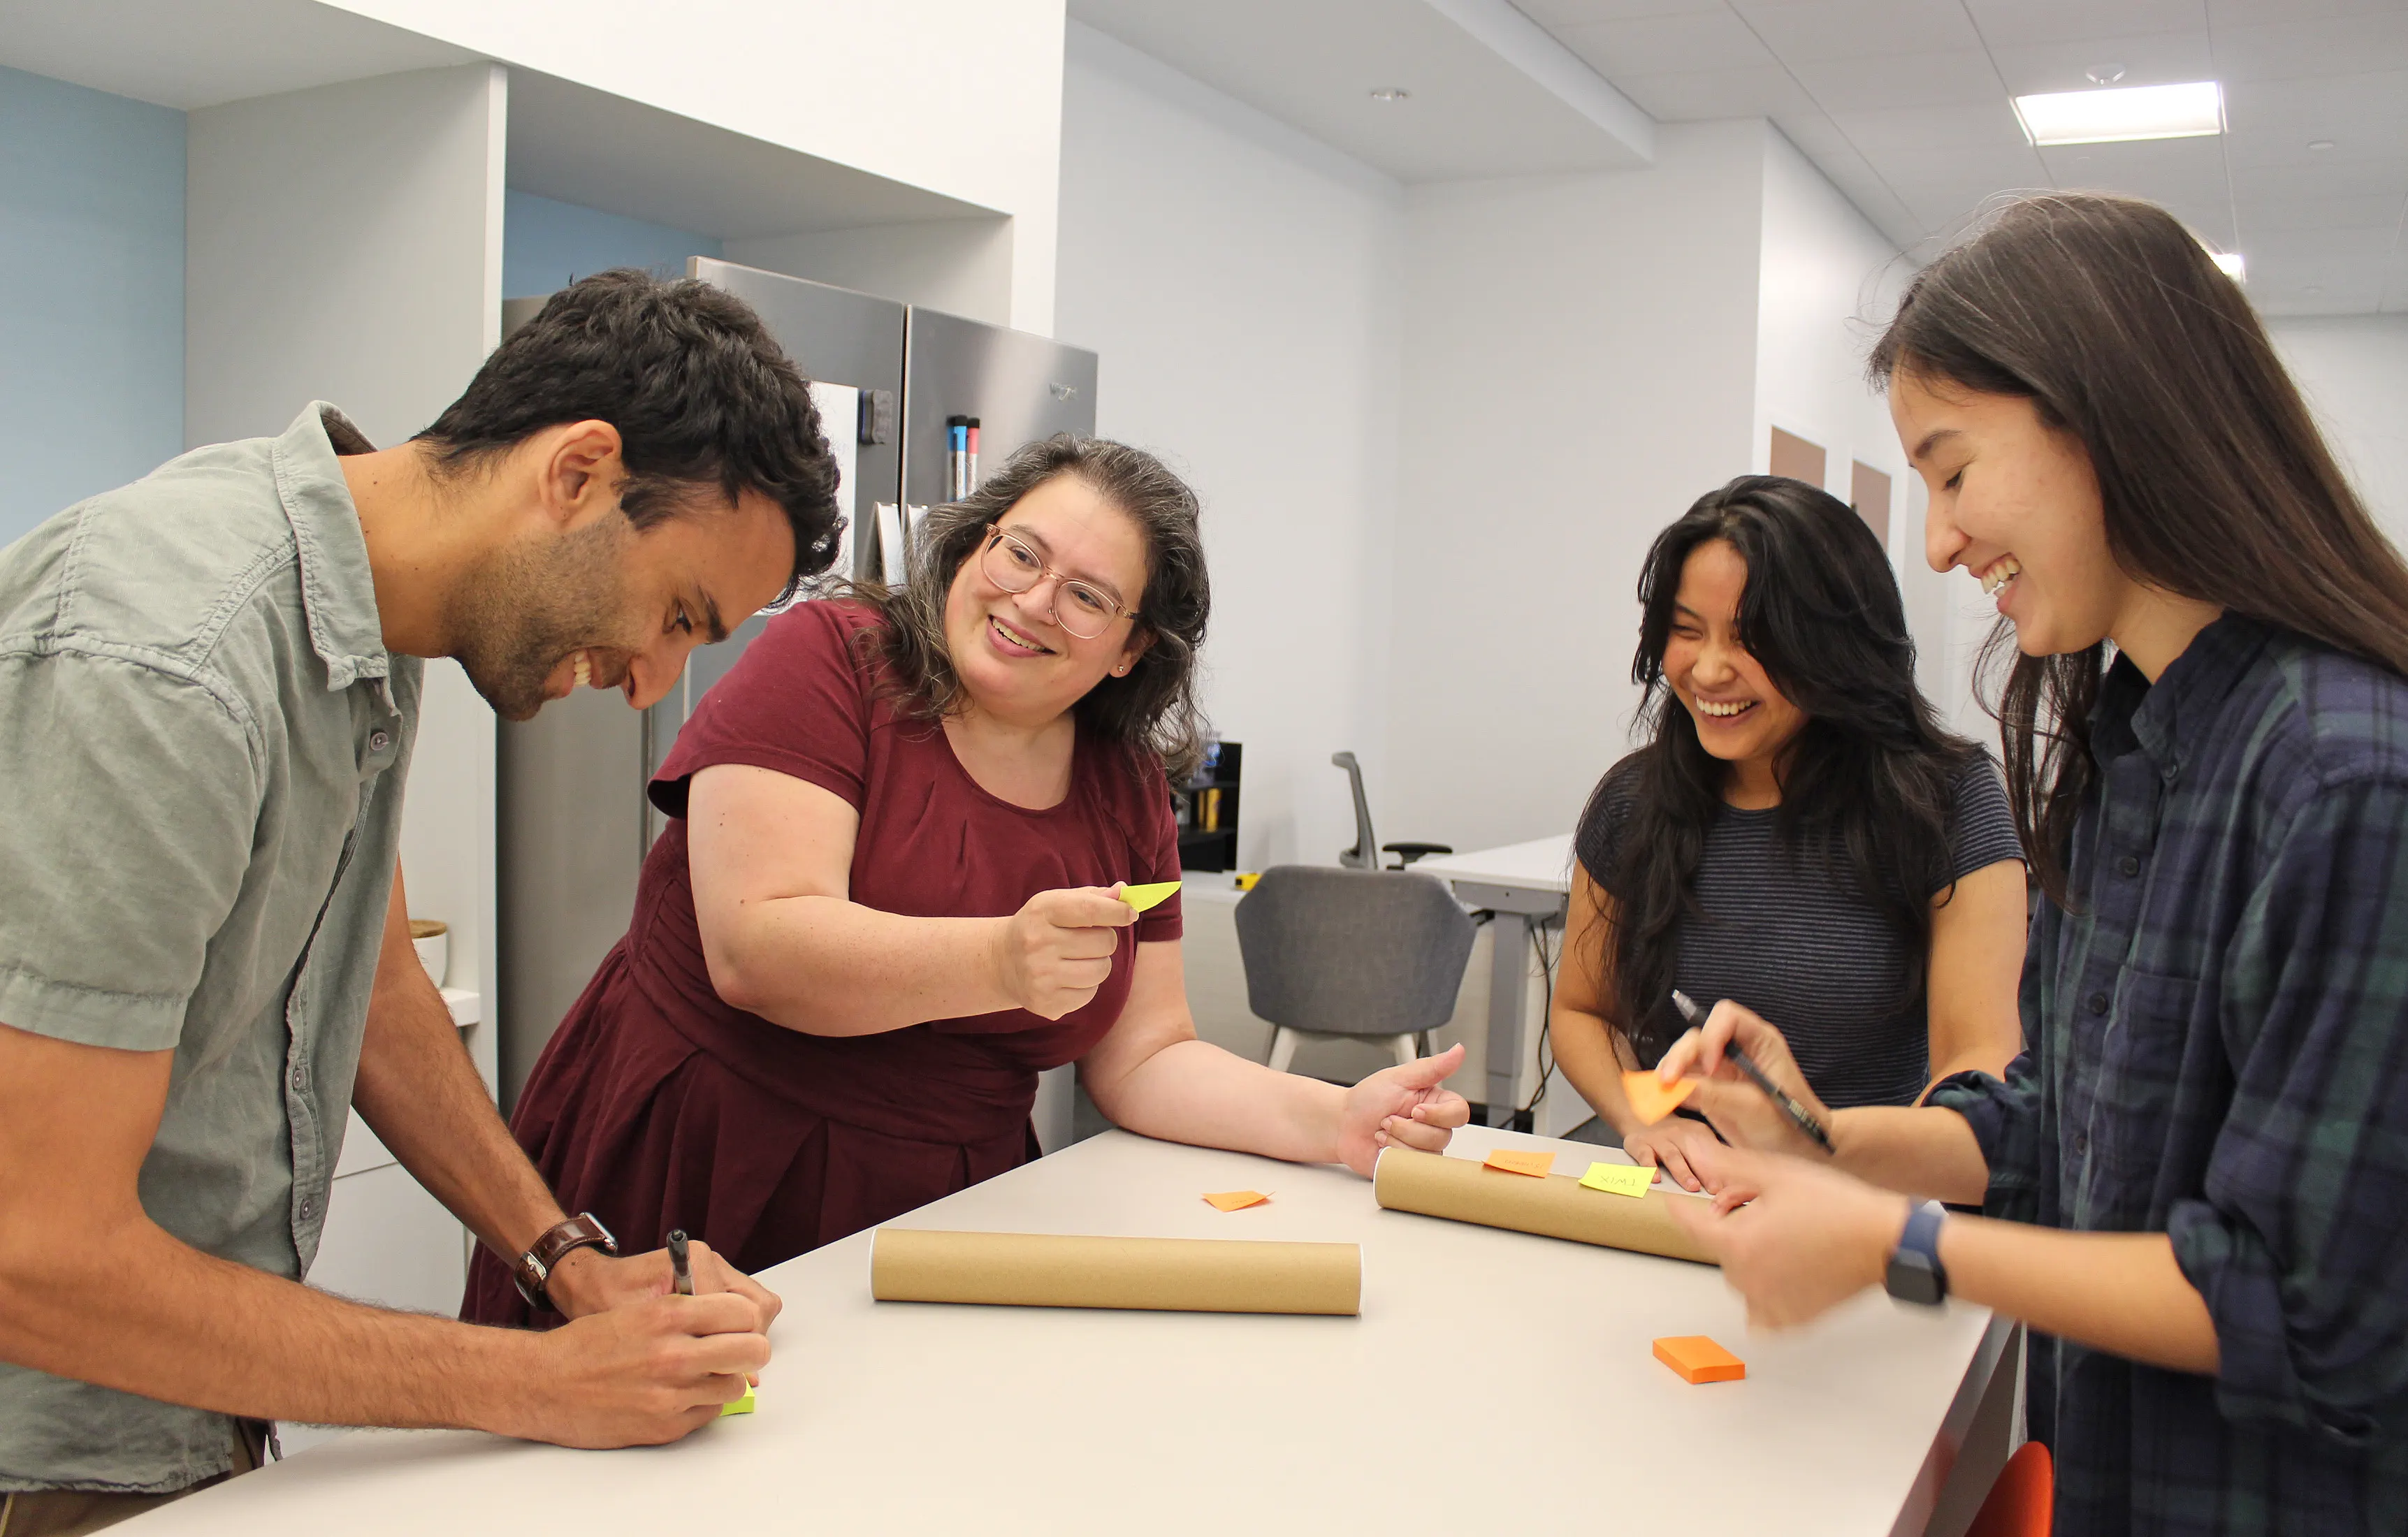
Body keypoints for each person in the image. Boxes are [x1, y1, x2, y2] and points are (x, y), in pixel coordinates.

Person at [0, 270, 838, 1532]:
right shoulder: (168, 665)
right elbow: (34, 1253)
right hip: (42, 1433)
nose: (650, 679)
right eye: (675, 613)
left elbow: (372, 979)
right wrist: (537, 1383)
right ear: (577, 474)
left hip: (170, 1402)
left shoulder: (369, 602)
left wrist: (568, 1267)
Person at [1659, 194, 2408, 1534]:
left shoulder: (2347, 781)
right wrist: (1819, 1139)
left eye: (1952, 472)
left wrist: (1893, 1244)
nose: (1939, 540)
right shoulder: (2133, 749)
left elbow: (2302, 1307)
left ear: (2109, 413)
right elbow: (2060, 1128)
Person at [464, 435, 1470, 1322]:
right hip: (704, 1156)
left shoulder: (1120, 789)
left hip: (945, 1209)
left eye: (1085, 597)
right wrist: (1000, 959)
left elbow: (1145, 1056)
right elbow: (756, 948)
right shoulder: (829, 662)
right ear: (974, 544)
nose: (1031, 601)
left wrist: (1333, 1118)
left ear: (1131, 650)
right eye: (1019, 553)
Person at [1551, 475, 2026, 1190]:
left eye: (1752, 640)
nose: (1708, 670)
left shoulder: (1947, 802)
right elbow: (1583, 1010)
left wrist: (1830, 1160)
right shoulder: (1635, 801)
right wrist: (1645, 1114)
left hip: (1862, 1206)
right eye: (1685, 632)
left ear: (1834, 647)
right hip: (1682, 1205)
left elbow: (1976, 1072)